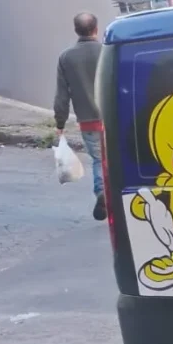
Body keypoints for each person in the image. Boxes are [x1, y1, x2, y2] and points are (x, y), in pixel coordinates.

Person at [53, 12, 106, 220]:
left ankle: (102, 192)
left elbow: (62, 95)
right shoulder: (107, 51)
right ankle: (118, 195)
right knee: (116, 158)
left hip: (88, 122)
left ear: (76, 30)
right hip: (113, 118)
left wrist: (60, 123)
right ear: (96, 29)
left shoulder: (66, 58)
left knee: (99, 160)